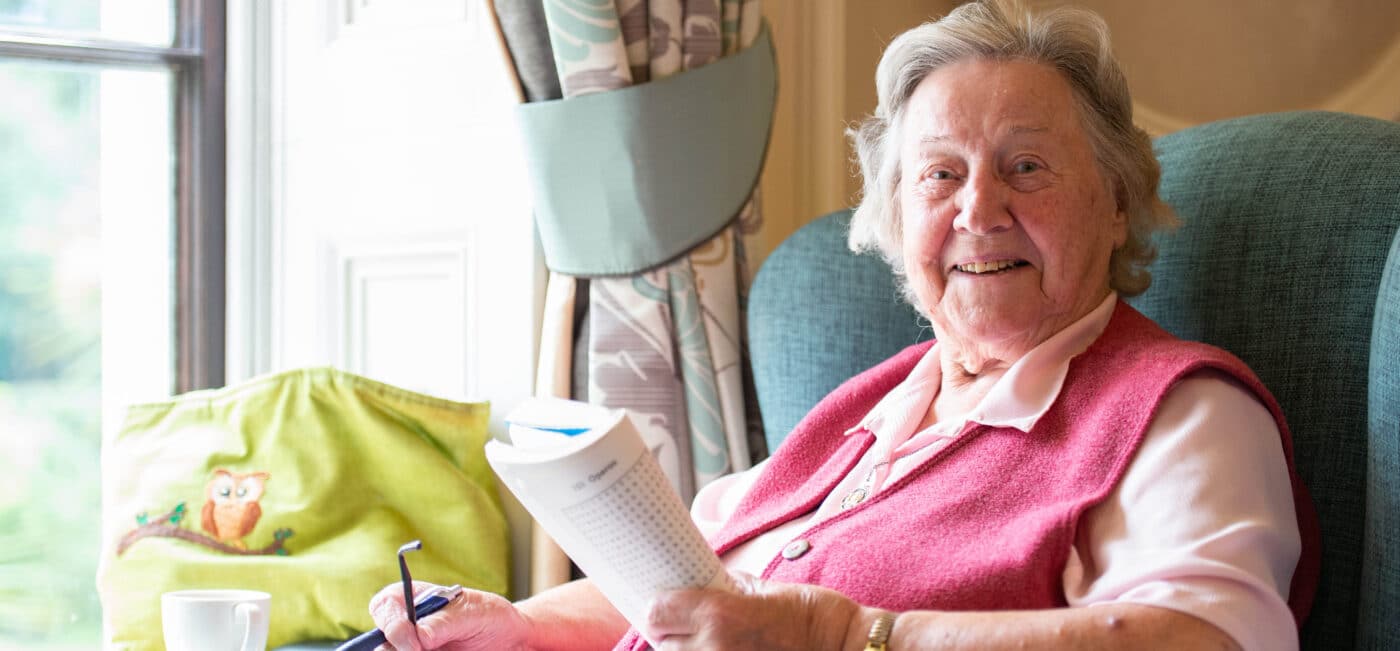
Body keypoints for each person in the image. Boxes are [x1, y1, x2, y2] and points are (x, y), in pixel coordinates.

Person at [367, 1, 1318, 649]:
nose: (978, 209)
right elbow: (697, 583)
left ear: (1117, 201)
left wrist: (844, 635)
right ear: (899, 222)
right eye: (939, 175)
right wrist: (520, 628)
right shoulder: (879, 405)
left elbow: (1208, 638)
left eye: (1027, 167)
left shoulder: (1180, 410)